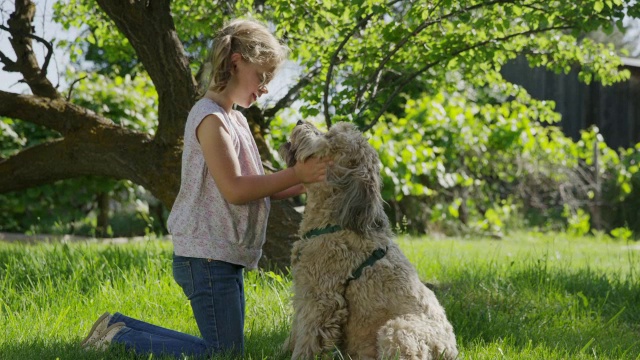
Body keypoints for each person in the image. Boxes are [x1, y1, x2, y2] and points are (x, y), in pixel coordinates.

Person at [80, 18, 330, 358]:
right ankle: (118, 339)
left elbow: (261, 186)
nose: (266, 87)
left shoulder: (236, 119)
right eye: (263, 76)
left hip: (223, 253)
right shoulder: (210, 119)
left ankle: (119, 325)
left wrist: (308, 180)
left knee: (225, 350)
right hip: (206, 255)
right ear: (237, 62)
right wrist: (298, 172)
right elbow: (236, 190)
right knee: (222, 353)